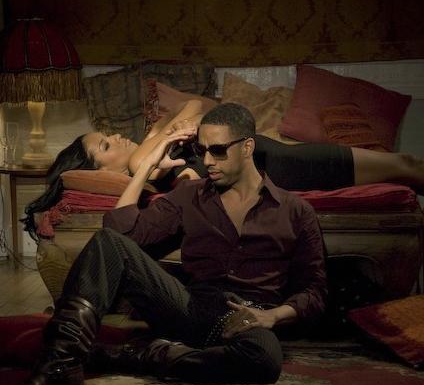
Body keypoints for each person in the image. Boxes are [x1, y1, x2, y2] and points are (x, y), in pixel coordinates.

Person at [1, 102, 327, 385]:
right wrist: (147, 166)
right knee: (107, 241)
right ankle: (59, 368)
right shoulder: (190, 195)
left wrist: (272, 316)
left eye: (217, 150)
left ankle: (140, 356)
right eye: (201, 150)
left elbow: (315, 291)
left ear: (247, 147)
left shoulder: (296, 211)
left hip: (247, 318)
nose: (207, 161)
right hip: (188, 308)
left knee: (264, 359)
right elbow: (119, 236)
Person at [23, 98, 424, 241]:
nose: (116, 137)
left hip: (269, 152)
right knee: (403, 166)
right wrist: (169, 133)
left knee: (403, 166)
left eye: (108, 134)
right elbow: (186, 128)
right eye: (105, 145)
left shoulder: (149, 147)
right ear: (99, 169)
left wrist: (170, 128)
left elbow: (197, 106)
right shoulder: (139, 162)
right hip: (278, 163)